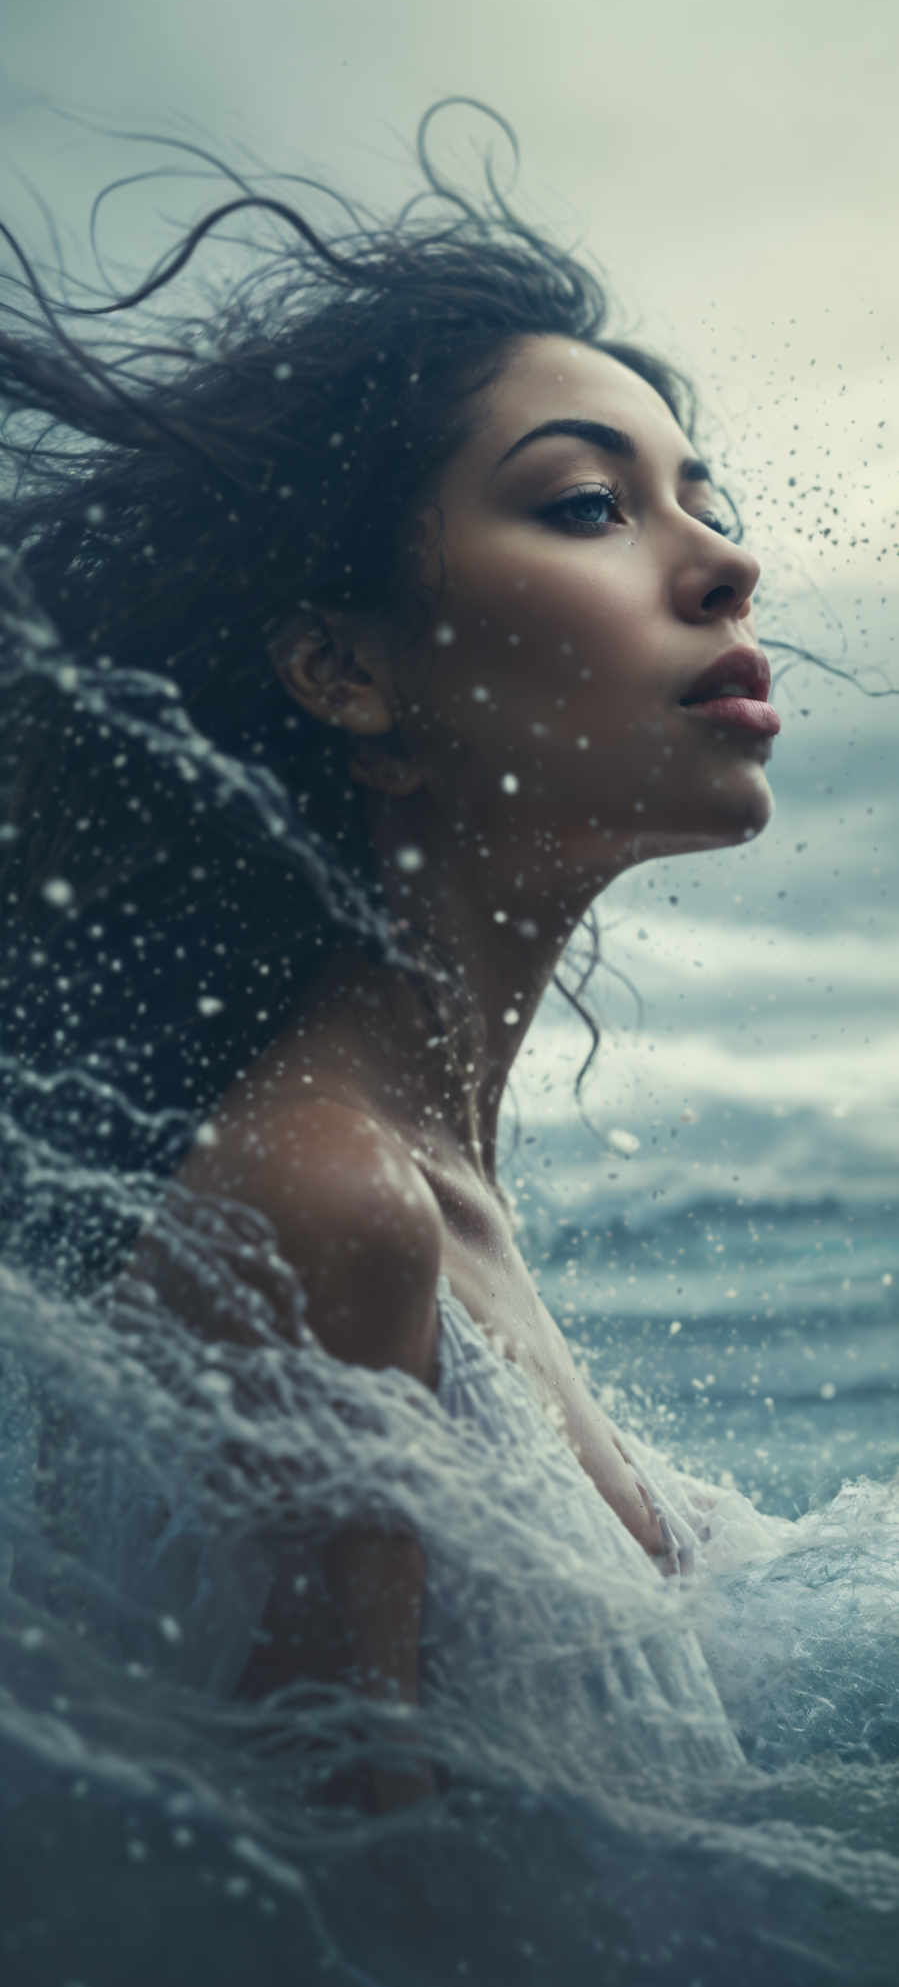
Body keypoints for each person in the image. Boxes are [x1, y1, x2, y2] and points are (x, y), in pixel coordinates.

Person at [0, 100, 786, 1815]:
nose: (728, 563)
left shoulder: (417, 1184)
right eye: (590, 505)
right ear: (346, 675)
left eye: (698, 493)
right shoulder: (327, 1207)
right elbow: (328, 1928)